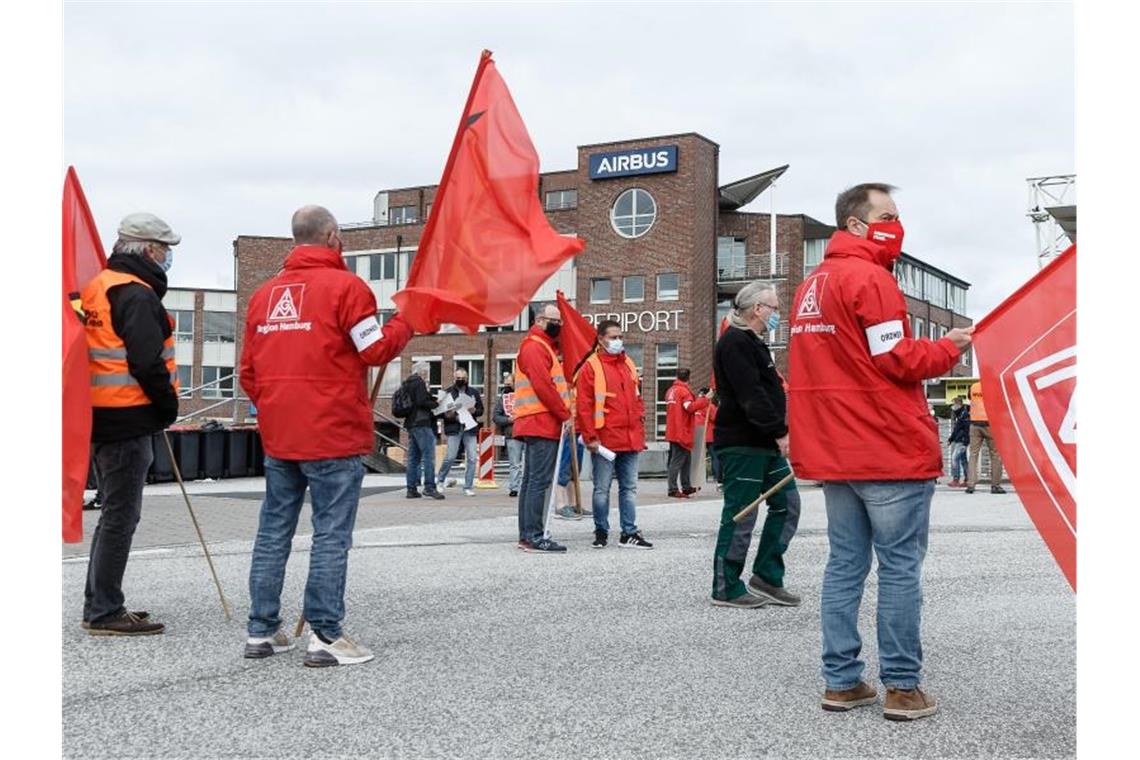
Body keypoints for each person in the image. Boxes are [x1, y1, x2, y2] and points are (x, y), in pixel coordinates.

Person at [787, 183, 974, 720]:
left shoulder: (811, 287)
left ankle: (841, 681)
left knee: (845, 563)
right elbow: (897, 360)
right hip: (887, 447)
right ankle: (901, 686)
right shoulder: (871, 278)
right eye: (888, 215)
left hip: (836, 451)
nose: (897, 224)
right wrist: (950, 346)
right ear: (855, 224)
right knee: (898, 568)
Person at [240, 205, 413, 667]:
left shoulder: (264, 296)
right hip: (333, 432)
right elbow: (374, 349)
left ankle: (262, 631)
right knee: (331, 534)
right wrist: (406, 321)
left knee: (273, 531)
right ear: (334, 236)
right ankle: (325, 634)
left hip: (281, 435)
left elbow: (248, 372)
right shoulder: (347, 288)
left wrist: (279, 408)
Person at [79, 212, 182, 636]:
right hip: (128, 417)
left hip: (100, 416)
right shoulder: (136, 295)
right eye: (167, 249)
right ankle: (104, 611)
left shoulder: (99, 286)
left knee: (112, 515)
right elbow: (145, 361)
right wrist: (167, 406)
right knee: (121, 516)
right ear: (150, 250)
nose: (169, 257)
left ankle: (100, 603)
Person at [710, 282, 801, 610]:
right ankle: (726, 586)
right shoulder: (735, 343)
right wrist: (779, 431)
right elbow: (752, 395)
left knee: (788, 504)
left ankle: (767, 576)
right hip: (743, 443)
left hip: (764, 444)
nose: (777, 313)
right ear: (757, 309)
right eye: (774, 307)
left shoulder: (754, 343)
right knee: (741, 514)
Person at [576, 320, 652, 549]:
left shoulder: (628, 363)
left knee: (628, 489)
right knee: (602, 489)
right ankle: (601, 531)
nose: (618, 341)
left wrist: (640, 433)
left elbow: (637, 401)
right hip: (605, 439)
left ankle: (629, 532)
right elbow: (584, 406)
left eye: (620, 336)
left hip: (629, 438)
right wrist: (590, 437)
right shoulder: (591, 366)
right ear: (601, 339)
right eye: (613, 337)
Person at [514, 303, 572, 553]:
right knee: (538, 481)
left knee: (531, 481)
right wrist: (564, 414)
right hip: (542, 420)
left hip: (535, 419)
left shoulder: (537, 346)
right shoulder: (536, 347)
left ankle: (528, 534)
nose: (558, 325)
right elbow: (544, 385)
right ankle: (534, 536)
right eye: (554, 320)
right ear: (539, 320)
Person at [435, 368, 484, 496]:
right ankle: (440, 480)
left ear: (467, 378)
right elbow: (440, 413)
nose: (460, 380)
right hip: (454, 428)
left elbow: (481, 410)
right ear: (454, 378)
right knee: (450, 457)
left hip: (470, 428)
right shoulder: (447, 393)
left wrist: (475, 411)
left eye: (463, 378)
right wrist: (449, 415)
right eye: (458, 378)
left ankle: (468, 486)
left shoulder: (473, 392)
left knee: (472, 458)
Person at [401, 361, 444, 500]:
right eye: (427, 372)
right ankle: (429, 487)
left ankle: (411, 489)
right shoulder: (419, 383)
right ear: (422, 371)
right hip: (421, 423)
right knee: (428, 456)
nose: (428, 375)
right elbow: (421, 402)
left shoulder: (408, 383)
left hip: (411, 423)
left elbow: (417, 400)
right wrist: (436, 404)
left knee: (413, 458)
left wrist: (430, 398)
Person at [664, 368, 709, 498]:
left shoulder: (670, 391)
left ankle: (686, 486)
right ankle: (673, 489)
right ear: (689, 378)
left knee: (685, 460)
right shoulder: (684, 391)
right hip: (681, 431)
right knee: (677, 461)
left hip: (672, 430)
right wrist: (704, 400)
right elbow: (689, 407)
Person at [966, 381, 1005, 494]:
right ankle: (995, 486)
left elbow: (970, 398)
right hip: (991, 424)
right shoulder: (995, 386)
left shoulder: (973, 387)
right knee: (995, 454)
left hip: (974, 424)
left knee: (973, 455)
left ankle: (971, 485)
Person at [493, 371, 524, 497]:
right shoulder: (502, 399)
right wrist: (507, 420)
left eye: (509, 384)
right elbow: (495, 416)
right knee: (514, 463)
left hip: (527, 433)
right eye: (505, 384)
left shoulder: (524, 395)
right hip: (512, 434)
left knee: (527, 463)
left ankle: (525, 487)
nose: (506, 386)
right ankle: (514, 488)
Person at [947, 395, 971, 488]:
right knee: (963, 460)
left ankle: (956, 479)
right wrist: (951, 439)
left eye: (954, 404)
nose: (953, 406)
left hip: (961, 440)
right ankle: (967, 479)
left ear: (959, 404)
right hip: (959, 440)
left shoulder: (964, 414)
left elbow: (966, 428)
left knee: (954, 459)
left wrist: (965, 441)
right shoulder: (959, 414)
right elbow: (956, 429)